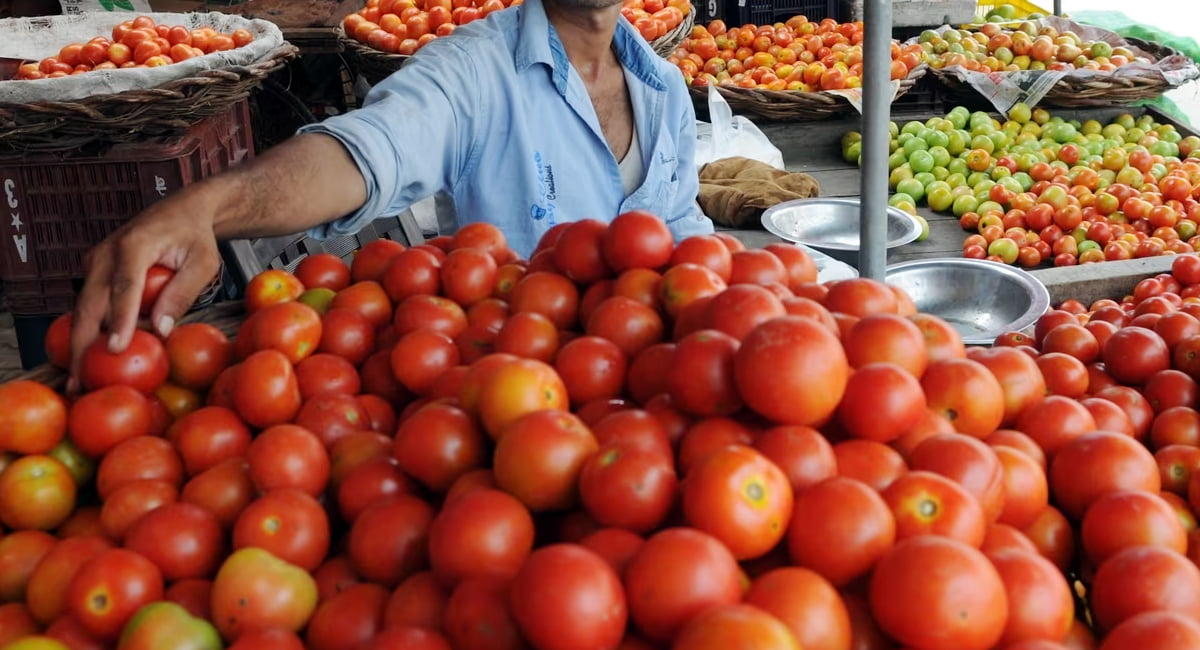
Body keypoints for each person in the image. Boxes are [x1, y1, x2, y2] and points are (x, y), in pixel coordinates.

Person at [67, 0, 715, 390]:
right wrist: (208, 207)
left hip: (648, 408)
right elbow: (363, 151)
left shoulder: (662, 91)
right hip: (509, 399)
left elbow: (689, 247)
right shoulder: (476, 71)